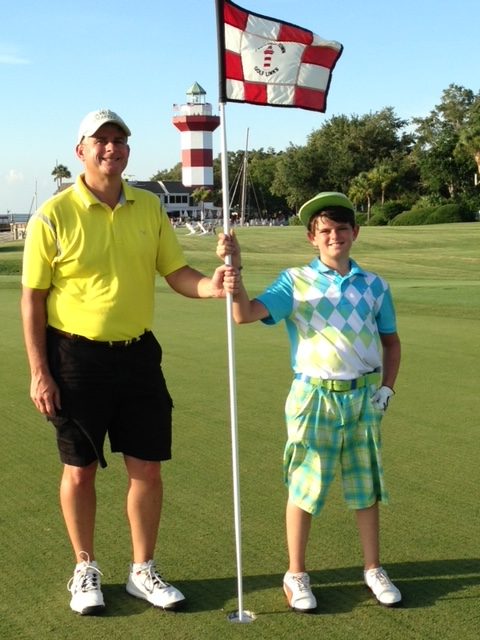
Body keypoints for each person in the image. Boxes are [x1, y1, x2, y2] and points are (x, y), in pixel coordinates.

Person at [21, 109, 236, 616]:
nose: (111, 149)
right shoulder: (52, 215)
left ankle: (142, 569)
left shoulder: (149, 207)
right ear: (81, 151)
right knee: (79, 472)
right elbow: (32, 299)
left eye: (119, 141)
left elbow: (176, 271)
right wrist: (39, 371)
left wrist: (212, 286)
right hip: (74, 357)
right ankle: (85, 567)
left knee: (147, 469)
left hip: (139, 356)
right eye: (101, 141)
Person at [217, 192, 402, 612]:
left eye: (341, 229)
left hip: (362, 396)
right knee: (306, 485)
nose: (334, 236)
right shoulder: (295, 281)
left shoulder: (374, 285)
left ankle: (373, 568)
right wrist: (236, 269)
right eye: (325, 231)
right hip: (313, 395)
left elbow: (391, 341)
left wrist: (387, 389)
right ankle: (296, 574)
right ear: (311, 238)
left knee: (365, 485)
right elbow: (245, 313)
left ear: (355, 233)